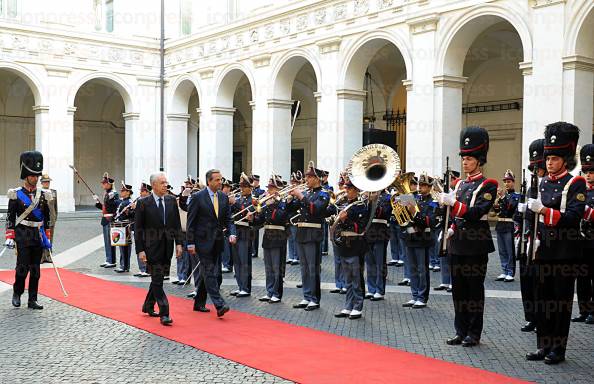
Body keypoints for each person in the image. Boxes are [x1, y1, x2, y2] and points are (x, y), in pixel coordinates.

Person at [521, 122, 586, 364]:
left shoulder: (575, 183)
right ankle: (543, 345)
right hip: (544, 251)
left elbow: (572, 217)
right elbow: (531, 216)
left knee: (560, 303)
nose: (549, 162)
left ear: (565, 159)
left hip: (564, 253)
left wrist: (545, 212)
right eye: (548, 158)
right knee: (543, 301)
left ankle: (558, 349)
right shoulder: (542, 183)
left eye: (555, 158)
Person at [439, 126, 497, 348]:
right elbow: (455, 215)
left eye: (469, 158)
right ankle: (460, 330)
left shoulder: (488, 184)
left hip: (475, 245)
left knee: (474, 291)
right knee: (459, 290)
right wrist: (450, 225)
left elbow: (476, 213)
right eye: (463, 158)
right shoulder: (460, 184)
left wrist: (454, 204)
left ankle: (474, 332)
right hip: (458, 244)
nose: (465, 162)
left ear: (479, 161)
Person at [134, 172, 183, 326]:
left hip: (167, 248)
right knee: (157, 279)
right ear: (153, 185)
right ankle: (165, 312)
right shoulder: (143, 203)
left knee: (158, 279)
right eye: (162, 183)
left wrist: (179, 244)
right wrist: (140, 250)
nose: (165, 185)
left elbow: (176, 225)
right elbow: (138, 229)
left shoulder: (171, 201)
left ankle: (148, 305)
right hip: (151, 248)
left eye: (166, 182)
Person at [5, 151, 52, 310]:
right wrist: (10, 235)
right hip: (23, 235)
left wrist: (47, 236)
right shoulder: (16, 194)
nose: (36, 178)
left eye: (37, 175)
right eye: (33, 175)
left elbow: (47, 218)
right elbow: (10, 216)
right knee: (22, 269)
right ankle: (17, 293)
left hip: (37, 236)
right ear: (26, 176)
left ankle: (32, 299)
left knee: (36, 271)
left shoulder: (43, 195)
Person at [186, 169, 237, 317]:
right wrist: (190, 243)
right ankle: (219, 304)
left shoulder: (223, 197)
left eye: (221, 179)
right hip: (201, 242)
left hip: (217, 241)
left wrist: (232, 233)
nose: (220, 182)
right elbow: (191, 223)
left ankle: (199, 303)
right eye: (217, 180)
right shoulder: (197, 197)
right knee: (209, 271)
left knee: (206, 272)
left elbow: (229, 218)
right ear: (209, 181)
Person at [290, 162, 335, 311]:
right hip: (302, 233)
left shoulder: (323, 194)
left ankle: (314, 299)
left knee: (313, 268)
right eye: (306, 177)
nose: (306, 180)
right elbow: (292, 209)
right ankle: (306, 296)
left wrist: (301, 196)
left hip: (313, 233)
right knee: (304, 268)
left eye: (309, 177)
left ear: (317, 178)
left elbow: (314, 209)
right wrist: (290, 200)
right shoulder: (308, 193)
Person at [518, 139, 546, 332]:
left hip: (542, 241)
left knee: (539, 283)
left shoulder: (550, 187)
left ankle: (540, 318)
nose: (536, 171)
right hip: (527, 238)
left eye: (539, 168)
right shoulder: (530, 188)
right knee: (526, 282)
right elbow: (521, 216)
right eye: (534, 168)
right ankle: (531, 317)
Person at [333, 178, 369, 320]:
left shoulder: (361, 206)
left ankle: (357, 306)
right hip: (344, 244)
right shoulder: (344, 204)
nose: (346, 190)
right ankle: (348, 305)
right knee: (347, 278)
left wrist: (345, 220)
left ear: (355, 190)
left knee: (356, 278)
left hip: (355, 244)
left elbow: (360, 227)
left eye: (349, 189)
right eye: (346, 188)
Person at [254, 175, 293, 303]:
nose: (268, 191)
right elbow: (261, 220)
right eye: (269, 188)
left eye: (271, 188)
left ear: (277, 189)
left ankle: (276, 293)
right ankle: (269, 291)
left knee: (277, 267)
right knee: (268, 267)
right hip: (268, 236)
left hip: (278, 236)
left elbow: (279, 217)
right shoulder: (267, 203)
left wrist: (272, 205)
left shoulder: (283, 203)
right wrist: (253, 217)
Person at [402, 173, 437, 309]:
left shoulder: (433, 202)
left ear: (429, 187)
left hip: (423, 238)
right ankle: (414, 295)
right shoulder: (412, 198)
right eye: (420, 185)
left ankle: (422, 297)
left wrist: (415, 213)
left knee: (422, 269)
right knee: (412, 268)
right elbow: (403, 218)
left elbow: (430, 221)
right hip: (410, 236)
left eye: (424, 185)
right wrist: (402, 206)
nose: (421, 187)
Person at [573, 144, 594, 324]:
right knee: (582, 278)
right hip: (581, 241)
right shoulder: (581, 191)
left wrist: (586, 211)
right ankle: (584, 309)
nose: (588, 174)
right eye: (586, 171)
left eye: (592, 171)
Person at [230, 173, 255, 297]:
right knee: (237, 262)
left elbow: (250, 213)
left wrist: (234, 203)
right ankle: (240, 286)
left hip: (246, 233)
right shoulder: (238, 199)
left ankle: (246, 288)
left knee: (244, 261)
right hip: (236, 232)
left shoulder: (254, 200)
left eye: (244, 186)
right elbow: (231, 217)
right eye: (241, 186)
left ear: (250, 187)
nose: (241, 188)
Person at [364, 185, 392, 301]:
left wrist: (374, 200)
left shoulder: (388, 197)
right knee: (370, 263)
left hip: (381, 232)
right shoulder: (367, 196)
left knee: (380, 263)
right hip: (368, 232)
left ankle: (379, 290)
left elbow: (384, 213)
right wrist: (367, 201)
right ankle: (371, 289)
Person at [493, 170, 520, 282]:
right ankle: (504, 270)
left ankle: (510, 272)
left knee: (510, 250)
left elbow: (510, 208)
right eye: (505, 181)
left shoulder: (516, 196)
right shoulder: (501, 197)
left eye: (509, 181)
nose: (506, 184)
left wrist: (503, 198)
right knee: (502, 250)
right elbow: (496, 210)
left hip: (509, 224)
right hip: (500, 224)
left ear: (513, 182)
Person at [94, 172, 120, 268]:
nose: (103, 185)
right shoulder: (107, 194)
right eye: (103, 183)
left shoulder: (114, 194)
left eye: (105, 183)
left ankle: (112, 261)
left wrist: (110, 200)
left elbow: (115, 207)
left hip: (110, 219)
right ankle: (108, 259)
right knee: (106, 241)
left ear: (109, 184)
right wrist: (97, 202)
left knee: (110, 241)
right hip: (105, 219)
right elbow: (105, 208)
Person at [330, 172, 347, 295]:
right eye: (341, 186)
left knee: (346, 259)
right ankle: (339, 283)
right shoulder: (337, 199)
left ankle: (346, 283)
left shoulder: (354, 200)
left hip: (347, 232)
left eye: (344, 186)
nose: (342, 189)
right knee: (337, 260)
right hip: (337, 231)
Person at [114, 181, 135, 273]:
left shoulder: (129, 202)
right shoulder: (124, 201)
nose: (121, 192)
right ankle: (124, 265)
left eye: (123, 191)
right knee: (122, 247)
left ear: (128, 192)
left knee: (125, 248)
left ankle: (124, 266)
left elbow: (131, 215)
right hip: (121, 225)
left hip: (125, 226)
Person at [133, 182, 152, 277]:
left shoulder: (150, 201)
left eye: (142, 191)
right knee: (139, 248)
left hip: (147, 229)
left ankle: (146, 269)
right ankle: (141, 269)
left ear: (147, 192)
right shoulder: (139, 200)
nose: (140, 192)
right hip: (139, 228)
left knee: (146, 249)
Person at [40, 174, 58, 264]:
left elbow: (55, 206)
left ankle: (49, 256)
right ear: (41, 183)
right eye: (45, 182)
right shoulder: (39, 192)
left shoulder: (54, 192)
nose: (47, 183)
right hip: (42, 219)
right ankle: (42, 256)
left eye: (48, 182)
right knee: (42, 237)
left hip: (51, 219)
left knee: (50, 237)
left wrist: (55, 217)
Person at [286, 171, 302, 266]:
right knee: (290, 238)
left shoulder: (301, 193)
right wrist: (288, 199)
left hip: (296, 218)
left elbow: (296, 206)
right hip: (289, 218)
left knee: (296, 238)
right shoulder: (291, 193)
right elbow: (287, 207)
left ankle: (296, 257)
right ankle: (291, 256)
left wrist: (292, 198)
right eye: (292, 182)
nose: (293, 184)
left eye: (295, 183)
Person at [250, 174, 264, 259]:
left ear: (257, 181)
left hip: (256, 214)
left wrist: (257, 210)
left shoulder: (261, 191)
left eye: (254, 181)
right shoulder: (251, 190)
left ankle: (254, 251)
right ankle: (251, 250)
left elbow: (260, 205)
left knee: (255, 234)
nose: (252, 183)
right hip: (249, 213)